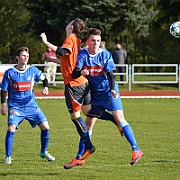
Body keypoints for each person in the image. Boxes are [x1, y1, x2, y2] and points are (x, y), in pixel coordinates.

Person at [65, 28, 143, 168]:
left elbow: (111, 74)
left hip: (108, 91)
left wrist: (113, 88)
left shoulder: (105, 54)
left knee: (119, 117)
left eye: (98, 41)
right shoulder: (83, 54)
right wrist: (81, 71)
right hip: (95, 93)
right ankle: (79, 158)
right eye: (93, 41)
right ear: (88, 41)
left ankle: (136, 149)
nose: (96, 43)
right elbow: (75, 73)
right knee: (88, 122)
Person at [40, 18, 96, 163]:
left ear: (71, 27)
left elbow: (63, 51)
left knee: (74, 117)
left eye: (69, 22)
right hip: (83, 83)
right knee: (89, 113)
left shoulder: (70, 38)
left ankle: (88, 145)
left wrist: (46, 43)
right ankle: (109, 115)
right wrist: (51, 60)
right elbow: (67, 60)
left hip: (74, 85)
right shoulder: (76, 40)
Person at [0, 47, 55, 164]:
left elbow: (44, 79)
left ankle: (43, 152)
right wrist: (3, 104)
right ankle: (8, 156)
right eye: (24, 56)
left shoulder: (32, 70)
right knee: (11, 128)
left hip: (31, 106)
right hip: (15, 107)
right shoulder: (10, 73)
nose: (26, 58)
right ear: (17, 57)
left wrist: (46, 87)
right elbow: (3, 90)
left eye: (27, 56)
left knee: (46, 126)